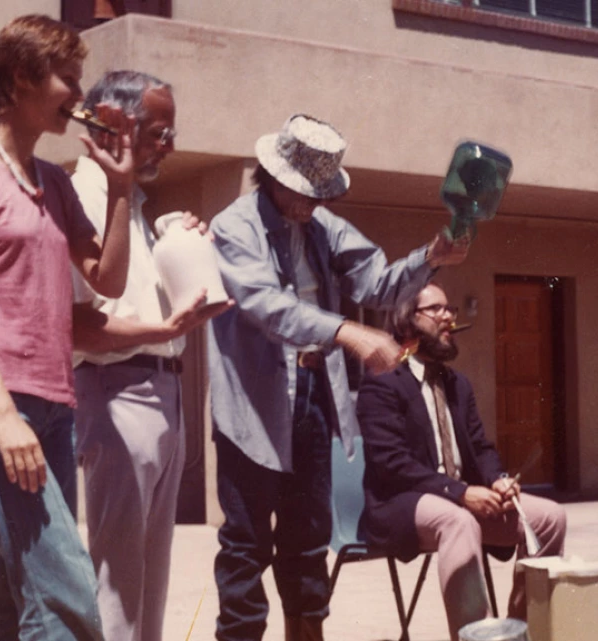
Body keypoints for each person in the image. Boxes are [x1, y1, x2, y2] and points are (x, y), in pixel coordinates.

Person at [208, 113, 470, 641]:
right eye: (304, 191)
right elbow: (267, 305)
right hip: (254, 409)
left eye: (320, 193)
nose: (312, 203)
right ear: (275, 177)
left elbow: (376, 281)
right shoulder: (234, 226)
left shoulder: (322, 226)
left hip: (313, 400)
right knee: (246, 547)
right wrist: (349, 333)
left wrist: (430, 257)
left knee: (308, 542)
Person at [0, 14, 135, 640]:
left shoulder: (54, 181)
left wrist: (123, 188)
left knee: (17, 583)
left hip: (53, 404)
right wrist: (0, 414)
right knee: (64, 592)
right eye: (67, 79)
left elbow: (107, 277)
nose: (79, 96)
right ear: (21, 78)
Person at [70, 70, 233, 641]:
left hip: (159, 390)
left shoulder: (129, 203)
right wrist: (161, 327)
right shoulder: (85, 196)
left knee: (148, 578)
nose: (171, 145)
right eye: (160, 132)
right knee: (117, 577)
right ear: (114, 124)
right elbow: (79, 326)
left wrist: (176, 243)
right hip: (118, 392)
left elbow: (140, 297)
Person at [357, 282, 567, 641]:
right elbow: (392, 464)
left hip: (458, 498)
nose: (448, 317)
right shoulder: (383, 383)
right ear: (408, 322)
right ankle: (475, 636)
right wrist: (460, 493)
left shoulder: (458, 384)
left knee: (550, 518)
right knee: (458, 522)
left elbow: (481, 448)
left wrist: (498, 478)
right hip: (400, 504)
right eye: (436, 309)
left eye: (449, 309)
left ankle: (518, 630)